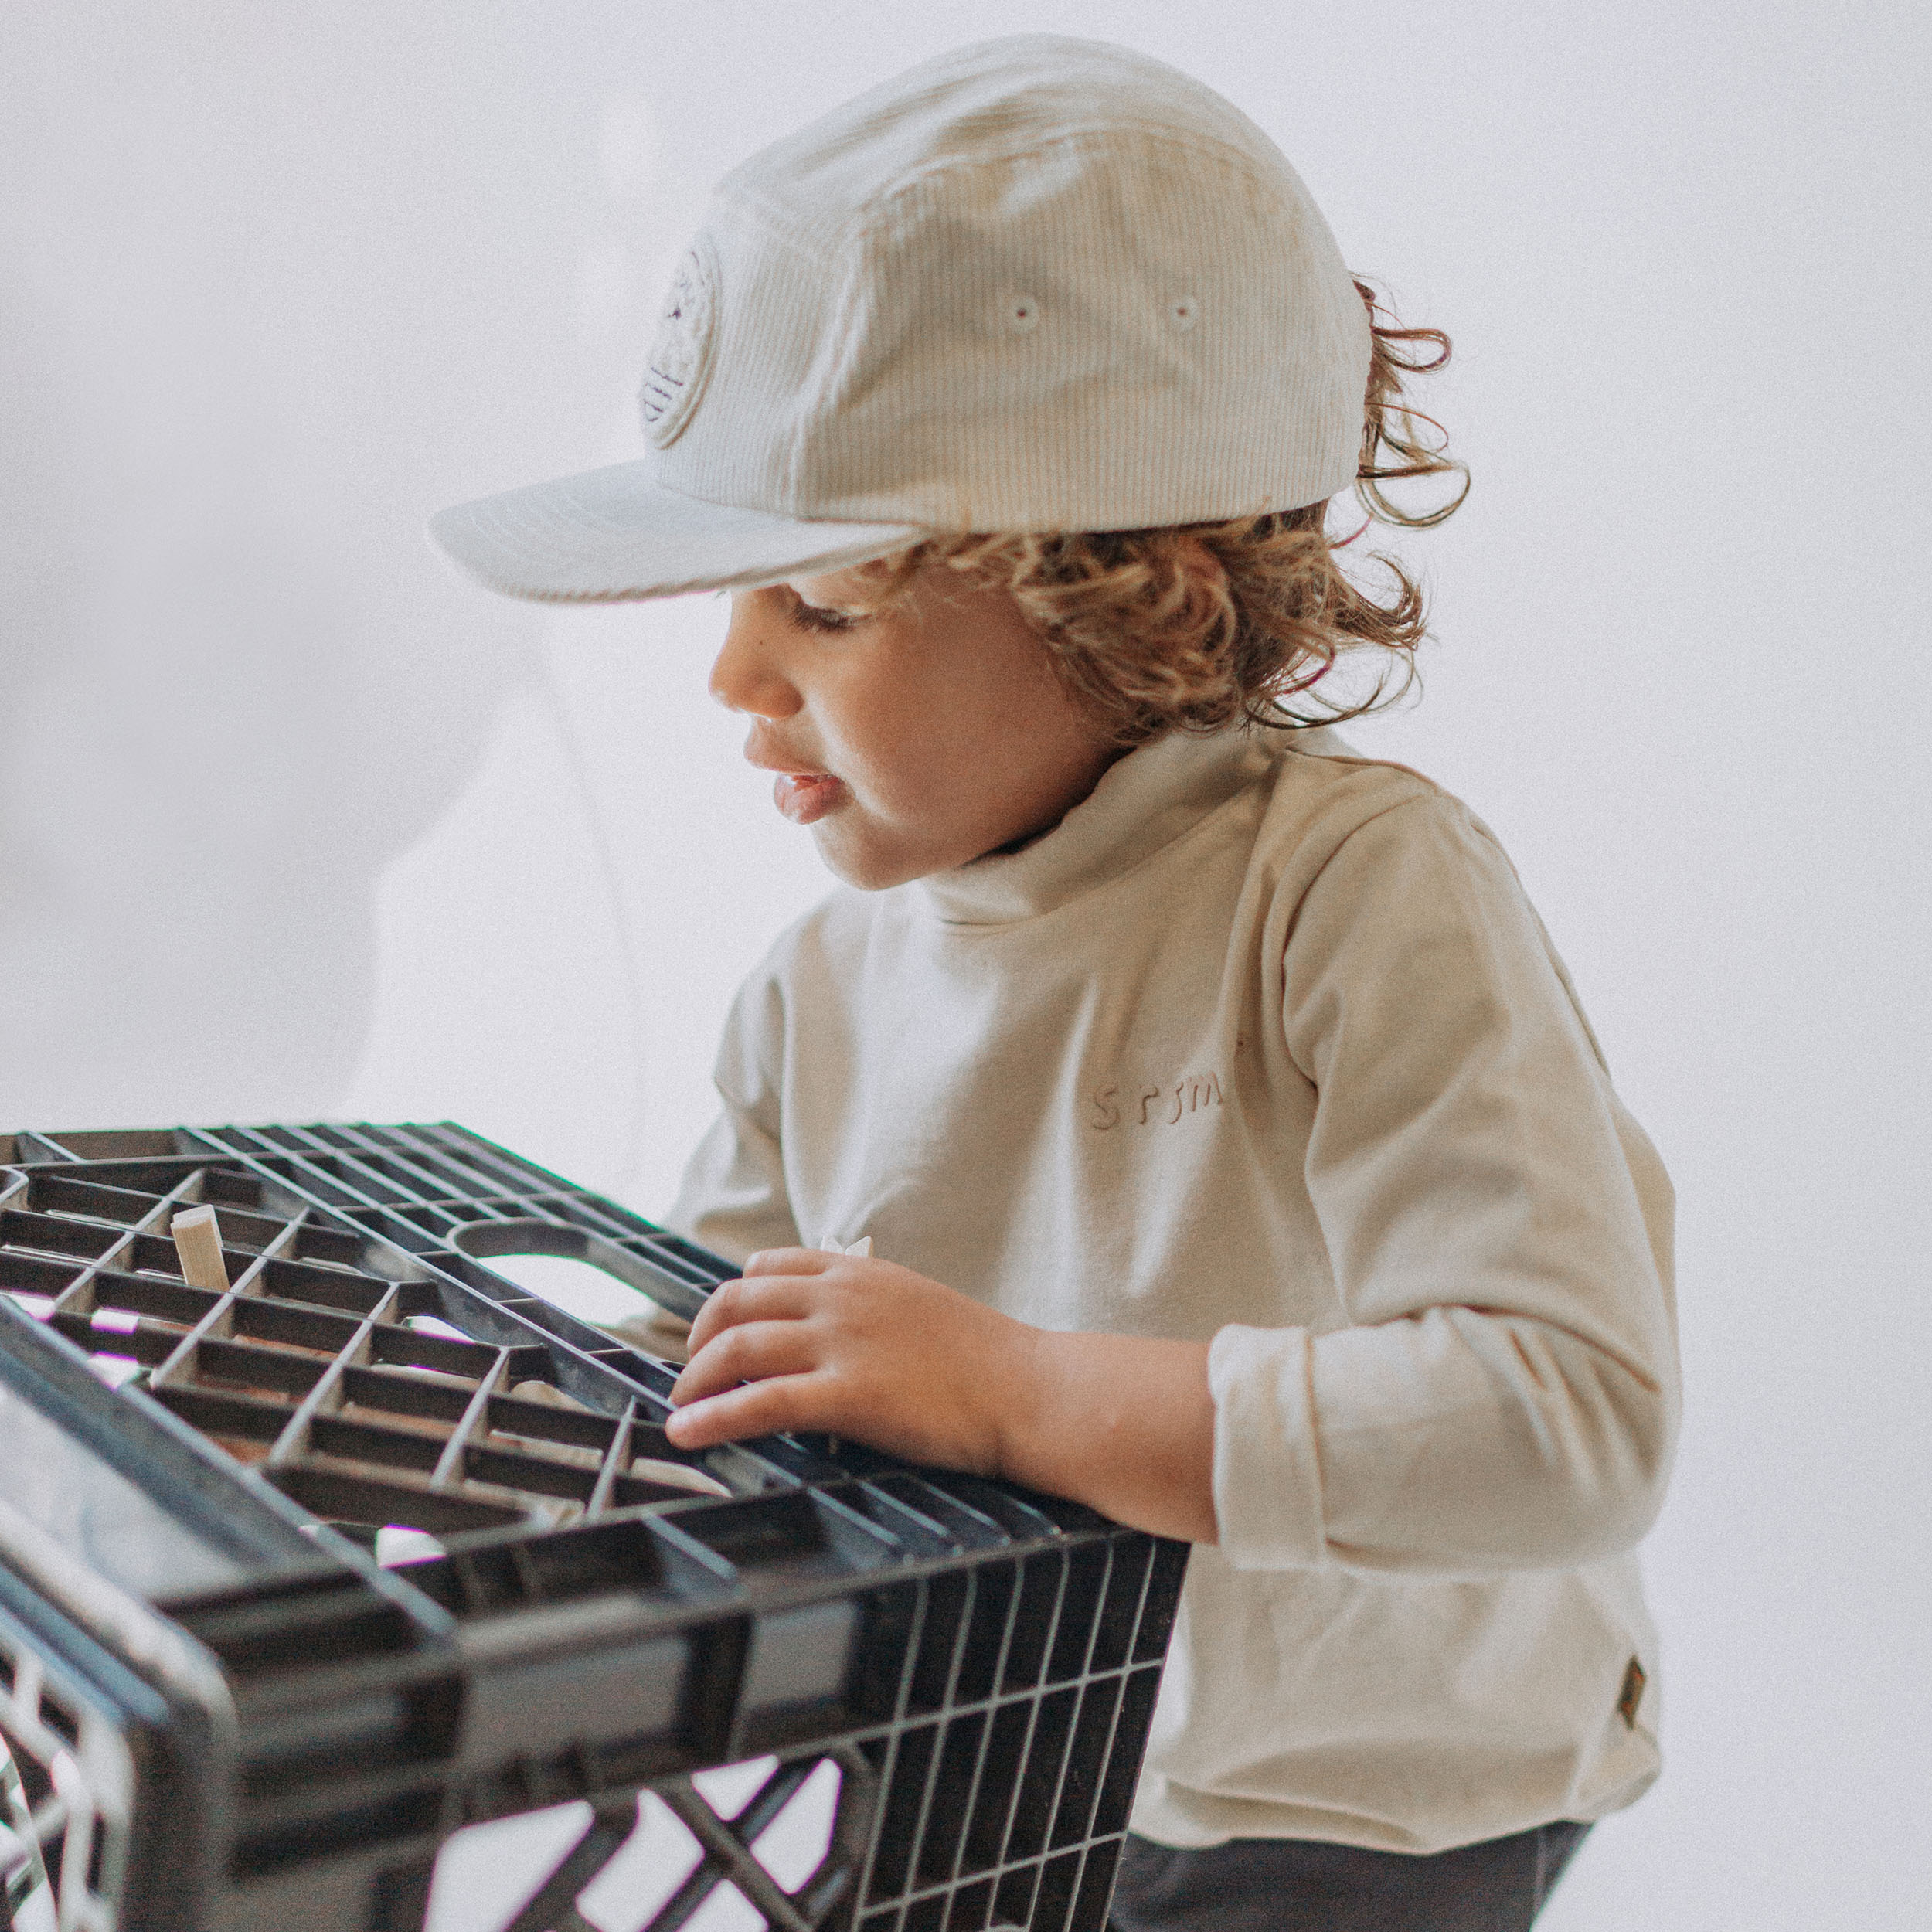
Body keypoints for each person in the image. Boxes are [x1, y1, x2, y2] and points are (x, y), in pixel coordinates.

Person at [430, 36, 1678, 1931]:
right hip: (1011, 1759)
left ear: (1145, 599)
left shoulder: (1344, 890)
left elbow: (1560, 1418)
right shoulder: (816, 988)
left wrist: (1013, 1392)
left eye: (825, 604)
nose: (733, 678)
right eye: (735, 597)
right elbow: (711, 1375)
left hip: (1357, 1806)